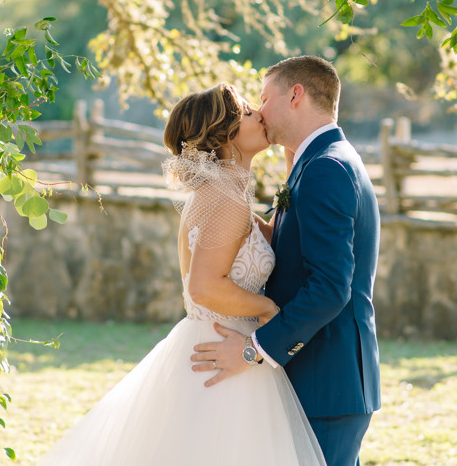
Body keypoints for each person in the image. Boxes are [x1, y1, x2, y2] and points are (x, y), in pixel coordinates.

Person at [37, 83, 326, 465]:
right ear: (225, 134)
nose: (259, 114)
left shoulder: (226, 193)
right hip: (222, 350)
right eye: (246, 112)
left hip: (221, 343)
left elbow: (272, 240)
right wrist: (269, 311)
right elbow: (204, 287)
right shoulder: (224, 199)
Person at [190, 56, 381, 466]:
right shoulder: (313, 164)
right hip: (309, 377)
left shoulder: (325, 168)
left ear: (295, 95)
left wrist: (253, 350)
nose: (259, 111)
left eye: (263, 98)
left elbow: (330, 288)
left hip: (325, 382)